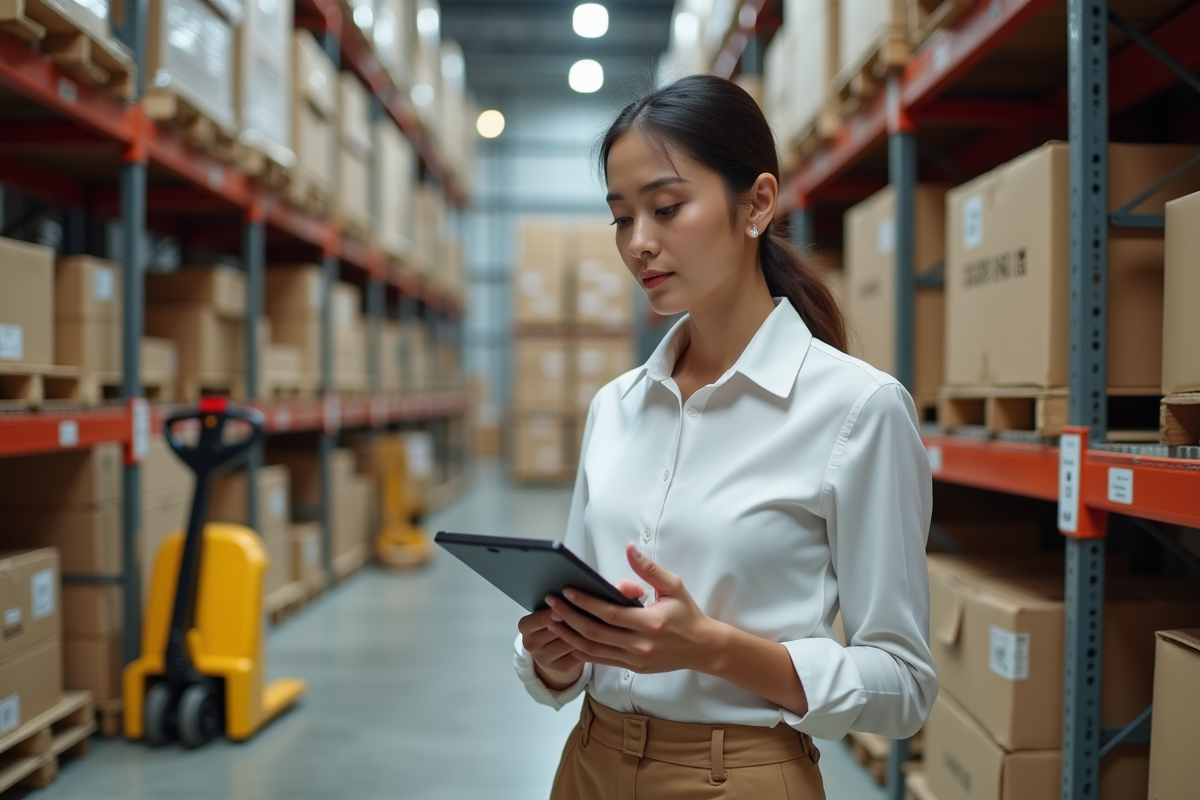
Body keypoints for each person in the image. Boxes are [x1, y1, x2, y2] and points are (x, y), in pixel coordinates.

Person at [514, 74, 937, 800]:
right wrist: (555, 657)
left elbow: (902, 686)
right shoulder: (615, 407)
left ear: (757, 204)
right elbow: (581, 621)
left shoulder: (857, 410)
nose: (639, 243)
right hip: (586, 763)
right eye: (621, 217)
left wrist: (713, 649)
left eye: (667, 208)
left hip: (737, 777)